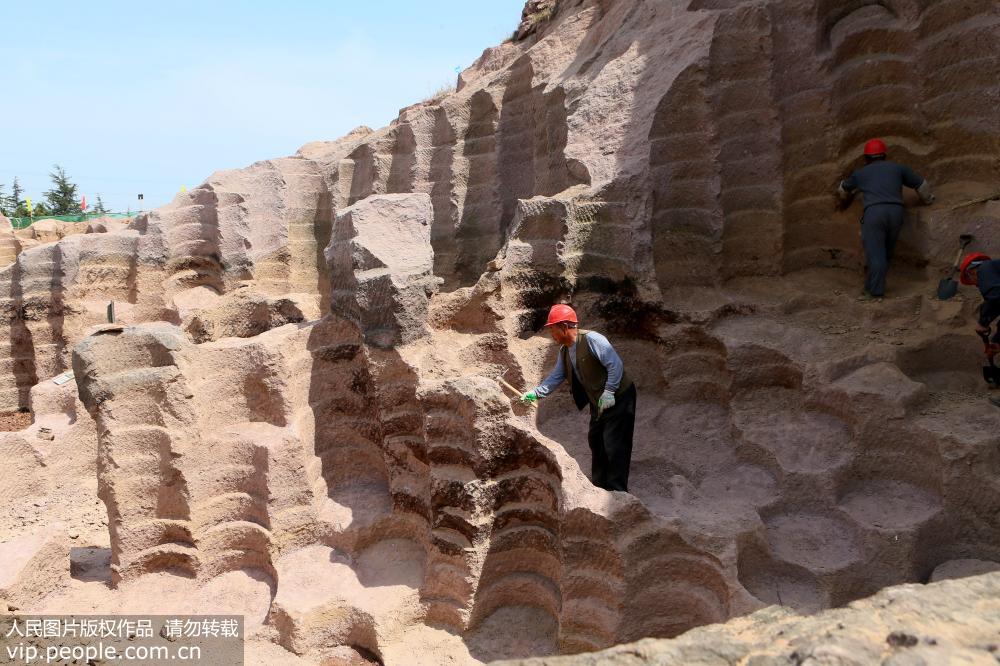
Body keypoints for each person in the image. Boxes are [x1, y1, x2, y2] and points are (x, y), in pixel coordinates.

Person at [521, 304, 637, 492]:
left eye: (552, 329)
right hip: (599, 401)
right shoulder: (565, 351)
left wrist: (609, 391)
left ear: (564, 327)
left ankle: (618, 491)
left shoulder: (593, 340)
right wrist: (536, 393)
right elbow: (556, 377)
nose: (551, 334)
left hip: (619, 396)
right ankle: (600, 487)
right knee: (596, 440)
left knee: (615, 443)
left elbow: (615, 365)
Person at [837, 138, 935, 300]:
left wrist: (843, 200)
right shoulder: (898, 168)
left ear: (866, 158)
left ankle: (875, 293)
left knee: (876, 254)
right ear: (884, 155)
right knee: (885, 252)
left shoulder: (860, 173)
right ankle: (872, 285)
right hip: (896, 212)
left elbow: (842, 188)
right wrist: (929, 200)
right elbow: (922, 184)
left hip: (874, 213)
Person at [960, 252, 1000, 406]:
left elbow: (996, 297)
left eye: (974, 283)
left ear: (971, 272)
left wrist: (983, 322)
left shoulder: (985, 268)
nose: (977, 286)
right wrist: (997, 341)